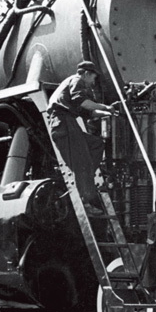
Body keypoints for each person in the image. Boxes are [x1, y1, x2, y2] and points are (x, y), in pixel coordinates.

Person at [47, 61, 116, 218]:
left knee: (96, 144)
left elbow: (88, 113)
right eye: (93, 78)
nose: (93, 82)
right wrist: (105, 107)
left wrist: (109, 113)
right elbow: (82, 102)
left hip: (68, 124)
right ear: (86, 74)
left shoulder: (73, 87)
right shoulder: (77, 80)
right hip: (64, 123)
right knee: (81, 163)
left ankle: (87, 177)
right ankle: (85, 202)